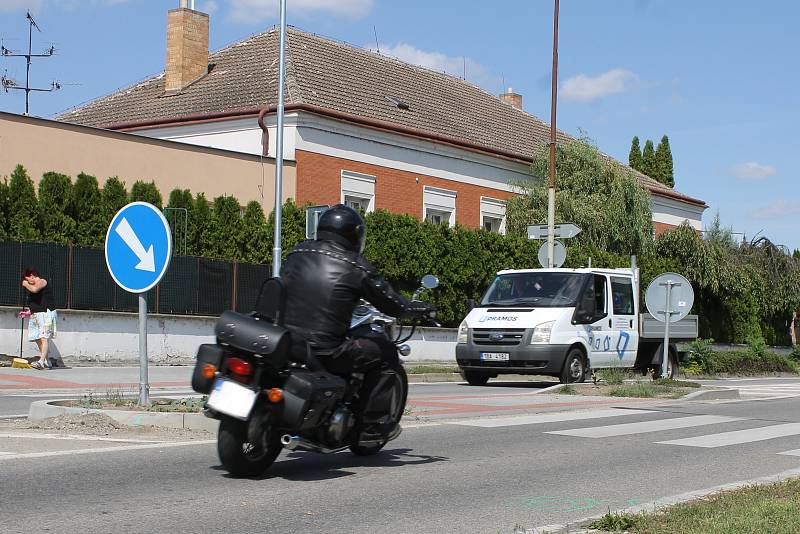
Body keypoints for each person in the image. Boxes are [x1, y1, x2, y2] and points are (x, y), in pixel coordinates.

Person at [280, 204, 435, 437]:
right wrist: (417, 308)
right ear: (355, 235)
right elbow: (390, 302)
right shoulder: (355, 265)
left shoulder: (297, 252)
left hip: (286, 341)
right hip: (325, 350)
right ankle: (371, 425)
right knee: (385, 353)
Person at [20, 268, 58, 370]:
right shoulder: (32, 286)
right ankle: (47, 361)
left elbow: (35, 289)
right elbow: (36, 301)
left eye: (27, 279)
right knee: (37, 338)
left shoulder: (42, 281)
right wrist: (28, 312)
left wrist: (25, 284)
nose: (28, 282)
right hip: (36, 314)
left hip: (46, 313)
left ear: (32, 275)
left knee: (43, 338)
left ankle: (41, 362)